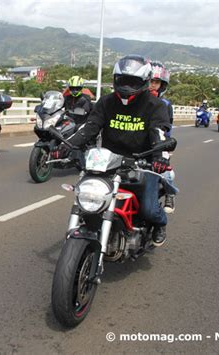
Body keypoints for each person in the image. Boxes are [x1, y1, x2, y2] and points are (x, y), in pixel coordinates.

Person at [68, 55, 173, 246]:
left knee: (149, 209)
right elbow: (90, 127)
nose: (127, 86)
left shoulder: (155, 105)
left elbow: (159, 133)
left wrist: (160, 157)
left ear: (144, 81)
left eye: (133, 81)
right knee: (87, 199)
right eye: (123, 80)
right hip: (107, 162)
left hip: (143, 163)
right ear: (116, 79)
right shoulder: (106, 102)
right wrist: (66, 146)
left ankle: (160, 224)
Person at [149, 60, 176, 214]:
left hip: (158, 142)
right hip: (135, 141)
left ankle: (170, 193)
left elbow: (167, 129)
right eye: (150, 81)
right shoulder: (134, 102)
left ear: (162, 85)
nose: (152, 85)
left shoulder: (165, 104)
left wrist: (162, 143)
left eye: (156, 82)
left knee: (165, 169)